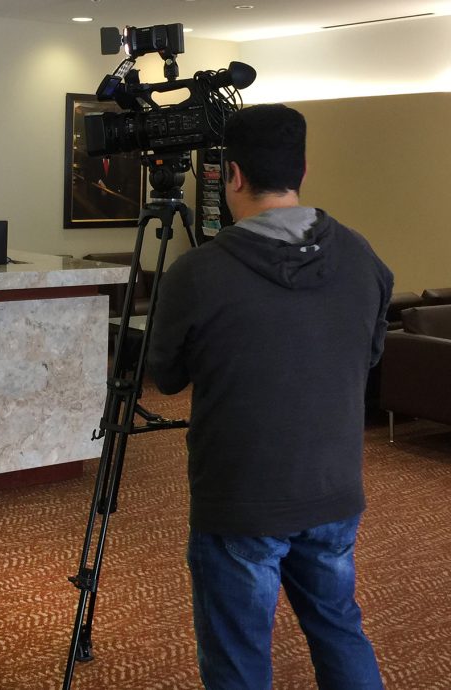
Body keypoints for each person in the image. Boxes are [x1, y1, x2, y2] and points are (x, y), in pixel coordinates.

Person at [148, 103, 391, 689]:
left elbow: (166, 375)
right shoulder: (364, 258)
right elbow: (371, 354)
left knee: (238, 656)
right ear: (302, 169)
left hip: (240, 500)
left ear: (231, 176)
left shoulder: (198, 273)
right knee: (339, 628)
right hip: (334, 489)